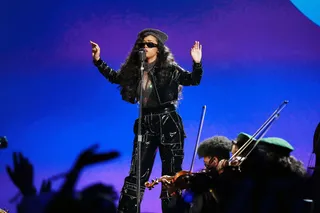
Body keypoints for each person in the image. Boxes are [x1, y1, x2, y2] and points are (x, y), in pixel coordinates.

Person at [90, 28, 203, 213]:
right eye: (142, 44)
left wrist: (197, 63)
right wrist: (98, 61)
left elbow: (193, 80)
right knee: (137, 173)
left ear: (158, 49)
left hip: (168, 122)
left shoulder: (170, 69)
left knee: (171, 174)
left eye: (150, 44)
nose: (145, 47)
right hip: (146, 122)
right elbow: (116, 77)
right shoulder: (135, 71)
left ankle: (173, 211)